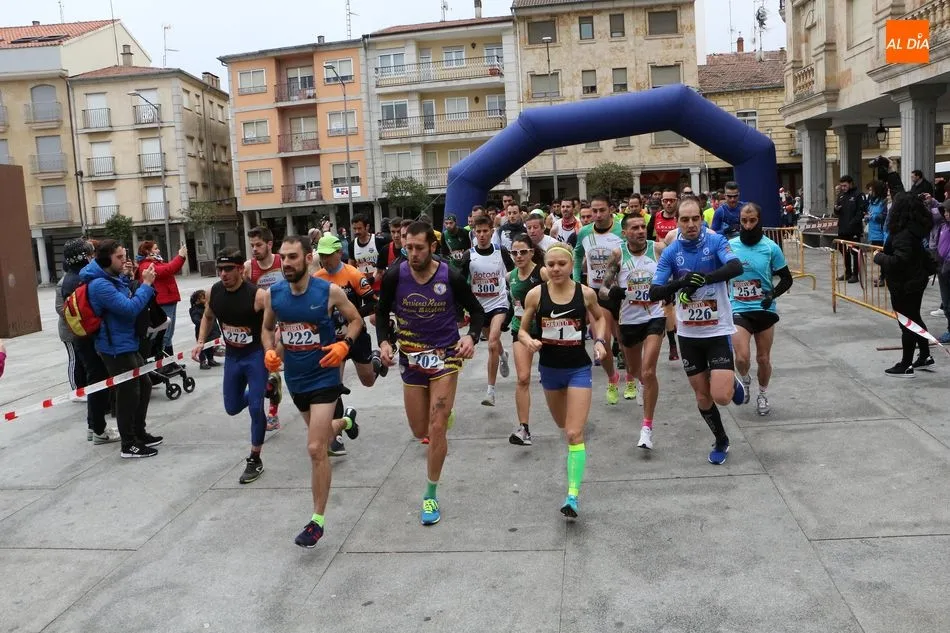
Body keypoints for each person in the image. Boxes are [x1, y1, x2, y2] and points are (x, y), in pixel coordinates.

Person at [375, 221, 485, 526]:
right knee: (419, 430)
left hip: (445, 356)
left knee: (437, 426)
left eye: (419, 248)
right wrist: (384, 342)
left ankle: (430, 493)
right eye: (407, 247)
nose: (412, 253)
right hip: (411, 358)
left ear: (432, 247)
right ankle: (444, 413)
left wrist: (471, 337)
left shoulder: (449, 274)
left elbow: (477, 311)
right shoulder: (396, 275)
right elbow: (382, 313)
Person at [262, 235, 363, 548]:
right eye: (283, 257)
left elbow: (356, 320)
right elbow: (267, 328)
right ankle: (347, 421)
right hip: (295, 379)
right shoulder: (274, 295)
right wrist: (269, 351)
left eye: (293, 257)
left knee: (316, 448)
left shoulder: (328, 291)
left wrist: (344, 344)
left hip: (324, 376)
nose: (286, 263)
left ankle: (317, 521)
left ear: (308, 258)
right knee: (321, 437)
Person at [649, 198, 746, 465]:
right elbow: (654, 291)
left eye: (695, 219)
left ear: (702, 219)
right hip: (689, 336)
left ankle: (731, 382)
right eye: (685, 219)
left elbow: (735, 267)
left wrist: (706, 277)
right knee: (702, 396)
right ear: (677, 221)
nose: (691, 225)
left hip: (717, 330)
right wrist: (680, 282)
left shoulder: (714, 242)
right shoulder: (671, 252)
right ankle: (721, 440)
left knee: (721, 397)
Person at [519, 242, 608, 518]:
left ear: (571, 266)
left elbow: (600, 318)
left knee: (573, 433)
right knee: (563, 425)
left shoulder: (585, 294)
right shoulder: (535, 295)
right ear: (545, 267)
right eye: (551, 264)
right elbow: (521, 330)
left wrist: (601, 341)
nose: (556, 269)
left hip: (578, 369)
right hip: (550, 370)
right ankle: (574, 449)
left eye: (562, 264)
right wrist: (529, 340)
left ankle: (572, 495)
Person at [192, 248, 270, 484]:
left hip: (255, 356)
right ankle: (267, 389)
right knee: (232, 407)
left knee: (256, 408)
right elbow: (207, 316)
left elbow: (273, 322)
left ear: (240, 270)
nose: (223, 274)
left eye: (228, 269)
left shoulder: (257, 296)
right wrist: (200, 342)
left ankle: (255, 458)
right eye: (220, 269)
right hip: (234, 359)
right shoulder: (214, 292)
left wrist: (273, 350)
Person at [80, 239, 162, 458]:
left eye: (124, 255)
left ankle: (138, 432)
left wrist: (133, 281)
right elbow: (129, 309)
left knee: (143, 385)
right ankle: (129, 444)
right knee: (128, 393)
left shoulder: (113, 279)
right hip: (114, 347)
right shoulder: (100, 285)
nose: (124, 260)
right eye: (119, 257)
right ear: (106, 259)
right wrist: (146, 285)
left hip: (126, 342)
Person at [314, 233, 385, 456]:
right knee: (333, 388)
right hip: (332, 341)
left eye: (328, 255)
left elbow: (374, 304)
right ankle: (337, 438)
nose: (325, 260)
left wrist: (349, 316)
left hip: (356, 336)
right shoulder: (317, 278)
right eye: (322, 256)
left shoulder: (352, 274)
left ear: (339, 253)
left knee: (368, 381)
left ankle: (374, 361)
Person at [600, 214, 667, 449]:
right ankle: (638, 381)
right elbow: (602, 291)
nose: (640, 231)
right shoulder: (618, 255)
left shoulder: (658, 249)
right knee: (635, 370)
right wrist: (613, 293)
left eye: (642, 227)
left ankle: (646, 429)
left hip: (655, 317)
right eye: (634, 228)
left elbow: (674, 274)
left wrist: (668, 292)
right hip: (628, 320)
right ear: (624, 233)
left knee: (649, 372)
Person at [728, 203, 794, 416]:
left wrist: (771, 294)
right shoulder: (730, 246)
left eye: (752, 221)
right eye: (744, 221)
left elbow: (787, 279)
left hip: (764, 309)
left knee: (763, 359)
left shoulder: (770, 247)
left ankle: (763, 394)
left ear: (759, 221)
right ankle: (745, 380)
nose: (747, 226)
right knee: (741, 358)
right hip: (739, 307)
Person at [56, 238, 119, 443]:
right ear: (84, 256)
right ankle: (98, 428)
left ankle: (94, 426)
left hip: (81, 336)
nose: (93, 256)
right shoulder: (82, 279)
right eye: (90, 252)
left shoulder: (70, 278)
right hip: (89, 337)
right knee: (98, 380)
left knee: (95, 379)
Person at [873, 193, 936, 376]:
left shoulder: (903, 234)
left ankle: (905, 364)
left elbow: (900, 261)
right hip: (915, 280)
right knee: (914, 318)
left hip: (905, 283)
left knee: (906, 323)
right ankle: (924, 354)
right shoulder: (916, 228)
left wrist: (879, 257)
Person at [573, 195, 624, 404]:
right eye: (594, 211)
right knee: (601, 341)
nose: (597, 215)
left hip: (621, 292)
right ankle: (612, 379)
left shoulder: (622, 230)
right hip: (596, 293)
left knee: (625, 341)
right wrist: (578, 281)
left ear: (611, 209)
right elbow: (576, 256)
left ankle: (631, 378)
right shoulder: (585, 232)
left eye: (602, 210)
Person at [461, 215, 515, 406]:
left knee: (492, 341)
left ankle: (490, 391)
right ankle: (503, 355)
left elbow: (513, 274)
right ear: (474, 232)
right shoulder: (469, 255)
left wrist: (514, 295)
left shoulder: (501, 253)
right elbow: (460, 282)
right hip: (479, 307)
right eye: (479, 231)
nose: (482, 235)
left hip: (499, 303)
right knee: (494, 343)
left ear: (492, 232)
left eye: (485, 231)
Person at [507, 234, 548, 446]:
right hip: (520, 331)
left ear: (531, 252)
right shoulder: (510, 276)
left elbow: (563, 289)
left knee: (555, 379)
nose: (518, 256)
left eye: (523, 251)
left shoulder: (541, 272)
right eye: (514, 252)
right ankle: (524, 429)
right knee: (523, 378)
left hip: (546, 331)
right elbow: (513, 303)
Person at [244, 226, 285, 431]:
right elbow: (243, 297)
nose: (254, 249)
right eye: (251, 245)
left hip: (284, 324)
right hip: (261, 327)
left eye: (258, 245)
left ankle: (273, 414)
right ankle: (262, 409)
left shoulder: (282, 262)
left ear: (269, 244)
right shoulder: (248, 268)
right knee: (262, 374)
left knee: (272, 371)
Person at [135, 240, 188, 358]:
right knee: (165, 334)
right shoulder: (147, 265)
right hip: (163, 301)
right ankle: (162, 362)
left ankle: (170, 361)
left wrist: (181, 257)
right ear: (147, 251)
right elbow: (169, 269)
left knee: (169, 333)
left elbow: (170, 268)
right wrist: (180, 256)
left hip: (169, 299)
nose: (158, 250)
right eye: (155, 248)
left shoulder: (156, 262)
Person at [834, 175, 867, 284]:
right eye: (842, 185)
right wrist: (836, 209)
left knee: (854, 252)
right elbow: (837, 212)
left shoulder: (858, 195)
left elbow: (860, 212)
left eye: (845, 185)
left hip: (854, 230)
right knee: (844, 251)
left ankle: (855, 274)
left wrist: (852, 224)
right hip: (842, 229)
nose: (843, 188)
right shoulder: (841, 196)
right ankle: (847, 272)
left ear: (850, 183)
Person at [189, 290, 220, 370]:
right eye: (203, 298)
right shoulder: (195, 310)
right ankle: (202, 362)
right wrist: (203, 323)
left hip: (212, 331)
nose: (206, 299)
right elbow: (196, 320)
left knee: (210, 347)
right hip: (202, 332)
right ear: (197, 301)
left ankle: (211, 359)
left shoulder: (208, 307)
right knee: (202, 349)